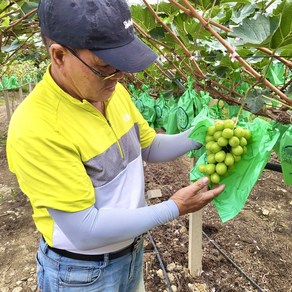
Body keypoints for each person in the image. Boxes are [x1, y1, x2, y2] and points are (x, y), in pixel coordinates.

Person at [6, 0, 225, 291]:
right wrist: (174, 207)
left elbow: (148, 146)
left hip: (130, 254)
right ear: (58, 55)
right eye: (104, 67)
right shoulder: (36, 127)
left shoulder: (112, 91)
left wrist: (199, 136)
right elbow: (85, 230)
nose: (119, 75)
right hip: (81, 274)